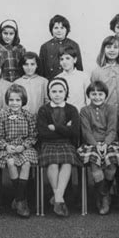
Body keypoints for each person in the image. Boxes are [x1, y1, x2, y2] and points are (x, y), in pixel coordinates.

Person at [77, 81, 119, 215]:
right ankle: (105, 197)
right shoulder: (85, 110)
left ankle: (102, 193)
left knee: (112, 162)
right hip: (91, 143)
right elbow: (86, 131)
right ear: (89, 95)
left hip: (109, 142)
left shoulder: (111, 109)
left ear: (105, 95)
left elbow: (112, 130)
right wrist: (95, 144)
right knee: (95, 161)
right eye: (93, 94)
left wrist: (105, 143)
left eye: (100, 94)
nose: (97, 97)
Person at [0, 84, 38, 218]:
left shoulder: (28, 115)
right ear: (7, 101)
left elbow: (33, 135)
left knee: (26, 164)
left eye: (18, 100)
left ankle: (18, 199)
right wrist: (5, 146)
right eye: (11, 100)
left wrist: (24, 146)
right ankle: (21, 200)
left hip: (24, 147)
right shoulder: (3, 115)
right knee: (11, 162)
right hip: (8, 147)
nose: (14, 103)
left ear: (23, 100)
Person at [37, 78, 81, 217]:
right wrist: (64, 129)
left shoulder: (71, 109)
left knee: (67, 161)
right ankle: (59, 198)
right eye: (54, 91)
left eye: (60, 91)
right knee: (53, 162)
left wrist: (55, 127)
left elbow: (74, 131)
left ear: (66, 92)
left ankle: (57, 197)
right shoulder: (44, 109)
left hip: (66, 144)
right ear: (49, 93)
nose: (57, 94)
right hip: (48, 144)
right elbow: (43, 133)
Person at [91, 35, 119, 114]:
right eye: (108, 47)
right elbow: (94, 94)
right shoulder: (97, 72)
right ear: (103, 50)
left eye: (115, 47)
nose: (112, 50)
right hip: (105, 113)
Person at [38, 14, 83, 80]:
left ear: (67, 29)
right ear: (51, 30)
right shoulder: (45, 47)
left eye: (62, 28)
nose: (59, 30)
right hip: (51, 82)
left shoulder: (74, 45)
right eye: (56, 28)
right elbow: (41, 71)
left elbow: (79, 68)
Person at [14, 51, 49, 116]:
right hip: (21, 119)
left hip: (39, 118)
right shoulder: (17, 83)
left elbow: (47, 102)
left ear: (37, 65)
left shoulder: (43, 81)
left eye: (32, 64)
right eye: (26, 64)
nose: (29, 67)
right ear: (22, 66)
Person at [57, 45, 90, 112]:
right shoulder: (58, 78)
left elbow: (88, 99)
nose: (64, 62)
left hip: (81, 114)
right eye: (62, 59)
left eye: (67, 58)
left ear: (74, 60)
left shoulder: (83, 77)